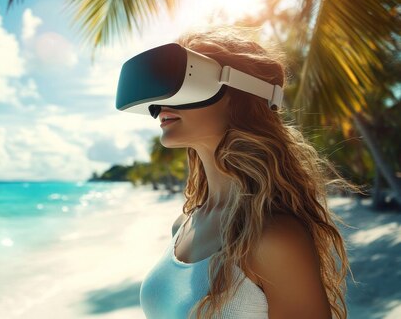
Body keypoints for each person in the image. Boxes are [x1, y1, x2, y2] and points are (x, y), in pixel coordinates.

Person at [137, 27, 363, 319]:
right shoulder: (183, 225)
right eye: (164, 86)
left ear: (241, 94)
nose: (163, 101)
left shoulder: (273, 239)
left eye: (186, 82)